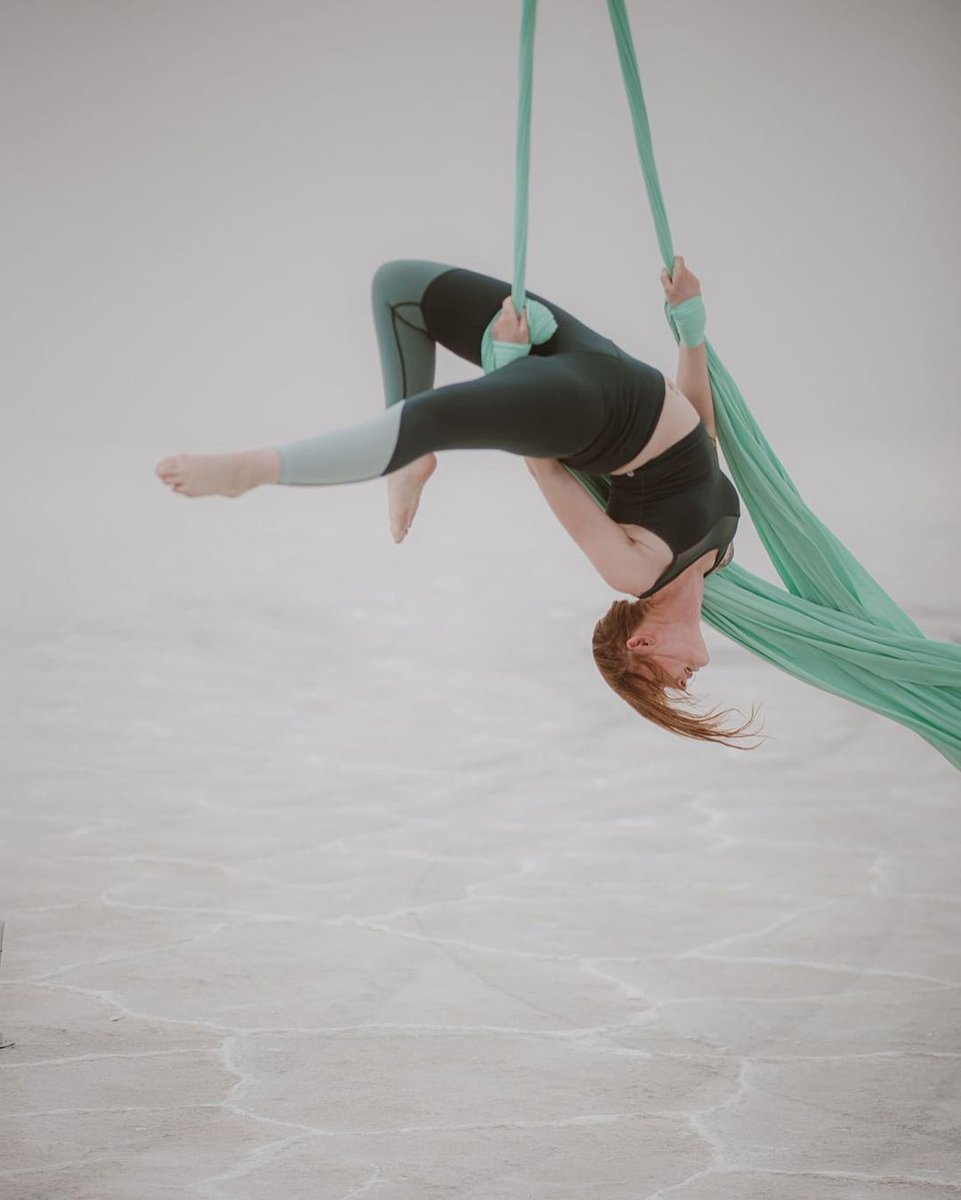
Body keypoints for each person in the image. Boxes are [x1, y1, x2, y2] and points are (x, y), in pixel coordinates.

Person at [156, 256, 751, 745]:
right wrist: (690, 328)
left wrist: (508, 372)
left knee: (418, 368)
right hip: (609, 363)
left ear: (640, 643)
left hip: (590, 413)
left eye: (670, 683)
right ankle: (409, 459)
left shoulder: (633, 571)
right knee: (399, 288)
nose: (689, 681)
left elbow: (548, 472)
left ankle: (254, 469)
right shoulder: (718, 560)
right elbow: (704, 435)